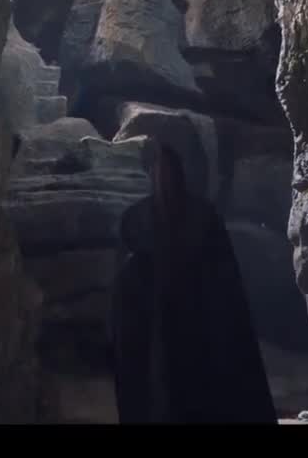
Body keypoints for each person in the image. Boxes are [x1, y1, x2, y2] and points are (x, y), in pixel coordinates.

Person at [109, 142, 277, 424]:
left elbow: (225, 287)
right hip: (155, 330)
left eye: (169, 170)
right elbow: (125, 286)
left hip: (200, 331)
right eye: (158, 170)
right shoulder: (136, 220)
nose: (164, 178)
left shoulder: (203, 218)